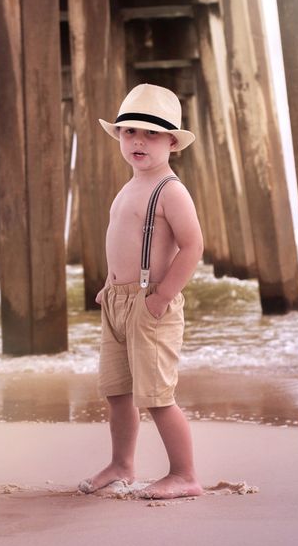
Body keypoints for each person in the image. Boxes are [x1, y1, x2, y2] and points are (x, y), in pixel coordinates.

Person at [79, 83, 204, 499]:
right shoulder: (129, 187)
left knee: (156, 396)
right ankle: (122, 463)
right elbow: (124, 241)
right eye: (130, 131)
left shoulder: (170, 190)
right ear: (119, 137)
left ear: (172, 142)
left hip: (151, 302)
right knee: (118, 392)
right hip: (117, 301)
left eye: (151, 134)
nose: (139, 140)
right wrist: (109, 287)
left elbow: (193, 246)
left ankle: (184, 474)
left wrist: (162, 296)